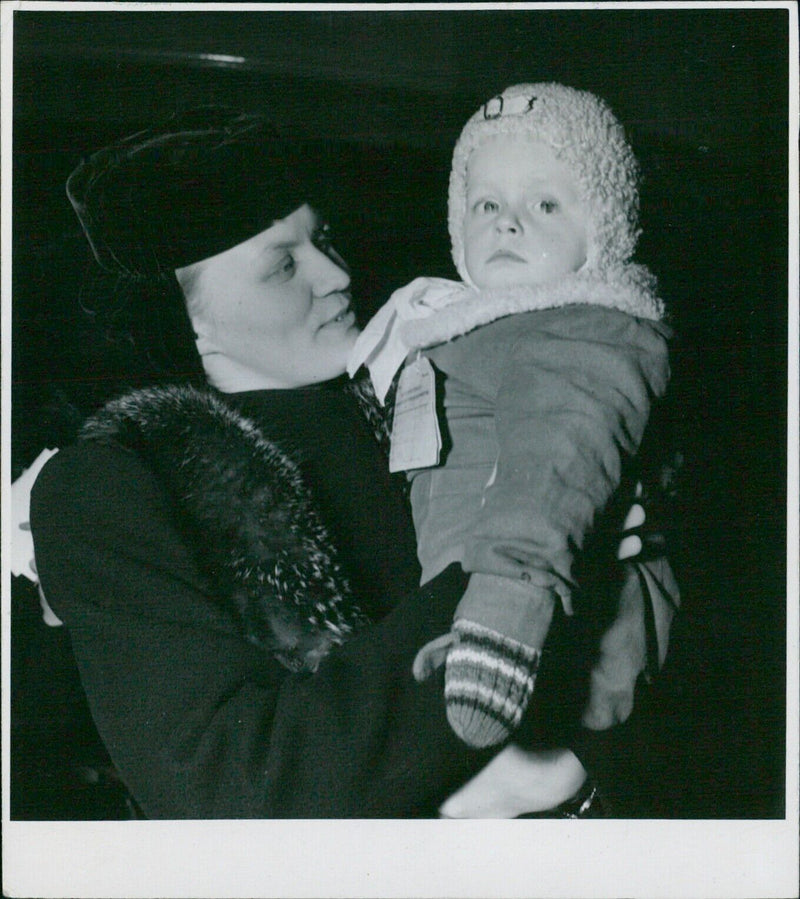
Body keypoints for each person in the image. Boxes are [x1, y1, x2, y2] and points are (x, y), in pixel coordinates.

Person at [28, 105, 664, 819]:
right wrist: (511, 566)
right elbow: (227, 781)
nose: (335, 273)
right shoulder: (109, 484)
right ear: (186, 316)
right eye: (282, 263)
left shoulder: (452, 396)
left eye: (323, 237)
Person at [348, 83, 680, 751]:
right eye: (487, 203)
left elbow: (552, 470)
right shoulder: (465, 330)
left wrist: (505, 609)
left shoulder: (586, 330)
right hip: (477, 629)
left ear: (603, 230)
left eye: (546, 203)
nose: (507, 221)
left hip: (548, 629)